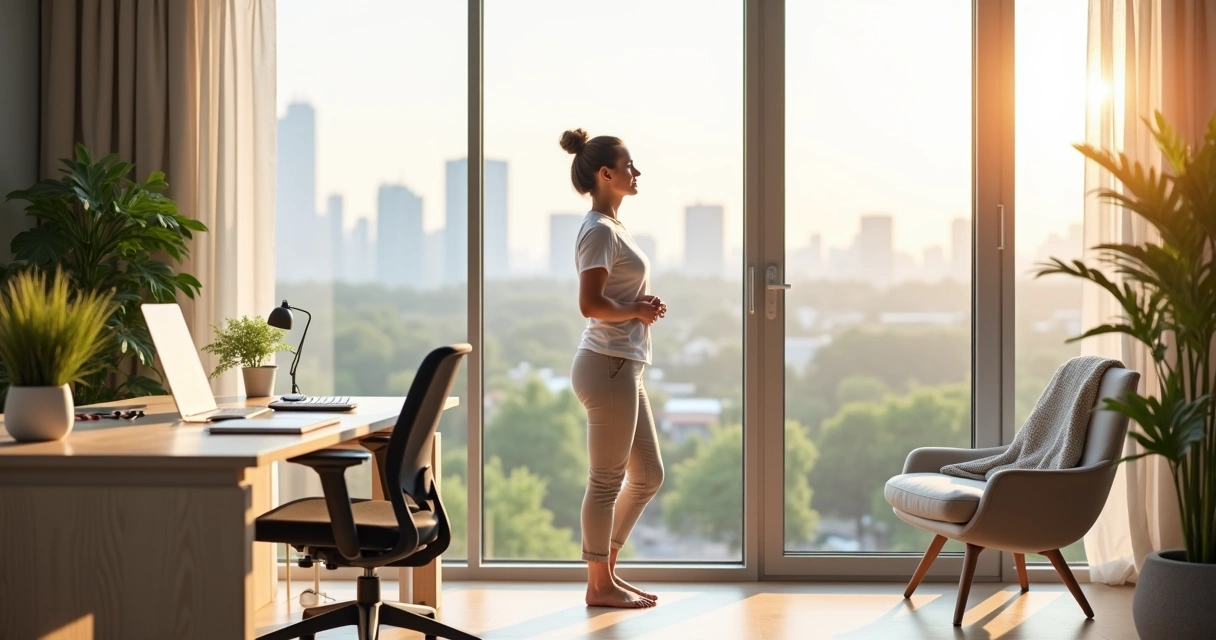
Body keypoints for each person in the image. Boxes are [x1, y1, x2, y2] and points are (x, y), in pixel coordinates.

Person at [560, 128, 667, 609]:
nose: (636, 172)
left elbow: (611, 297)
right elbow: (589, 304)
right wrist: (635, 312)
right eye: (629, 166)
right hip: (606, 366)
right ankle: (598, 585)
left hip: (624, 365)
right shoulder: (600, 229)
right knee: (606, 480)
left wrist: (637, 306)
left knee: (648, 476)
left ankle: (609, 573)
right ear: (606, 174)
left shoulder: (611, 226)